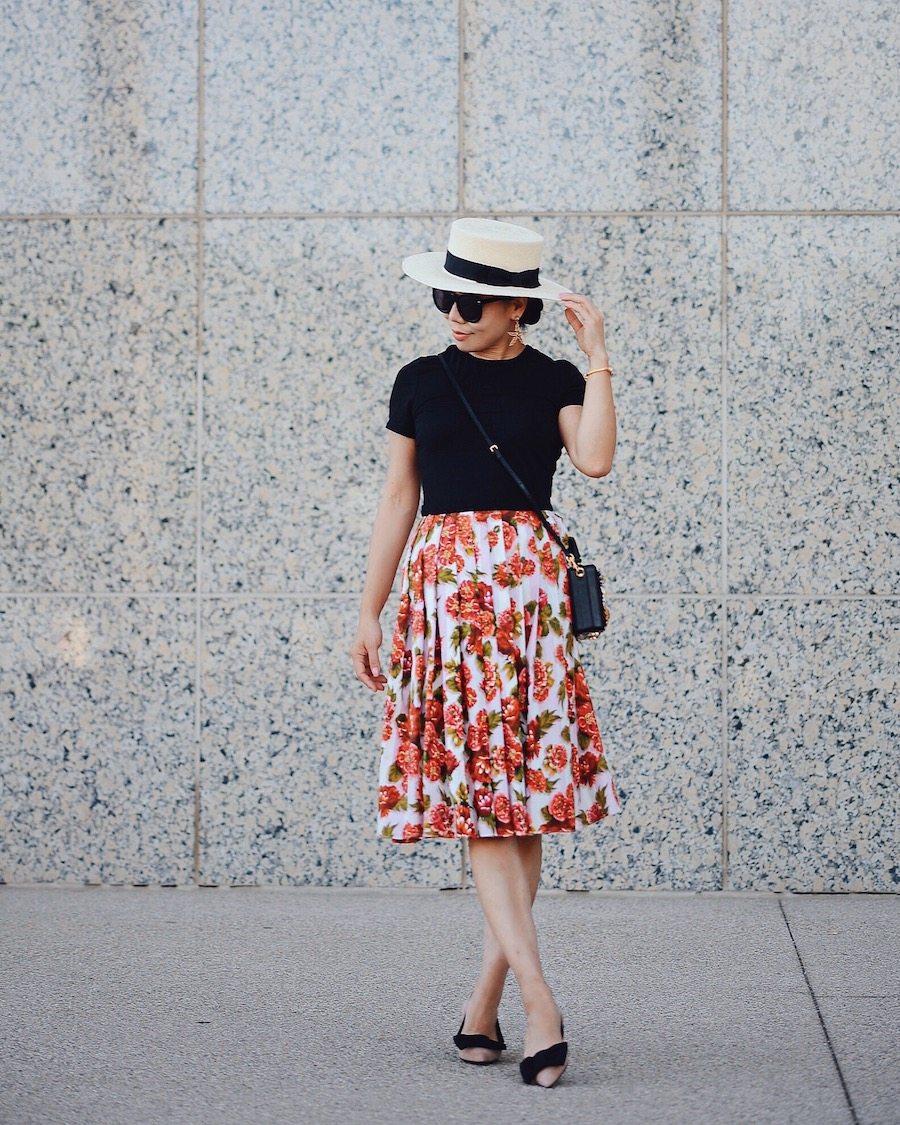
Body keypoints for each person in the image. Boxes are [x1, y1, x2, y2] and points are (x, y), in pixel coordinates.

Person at [350, 217, 623, 1088]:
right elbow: (400, 497)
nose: (453, 313)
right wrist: (370, 608)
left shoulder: (554, 378)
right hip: (445, 605)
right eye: (443, 296)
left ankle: (484, 1001)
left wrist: (600, 356)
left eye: (470, 301)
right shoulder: (420, 380)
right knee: (482, 803)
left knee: (522, 802)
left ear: (517, 306)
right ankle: (540, 1001)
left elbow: (596, 459)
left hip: (529, 604)